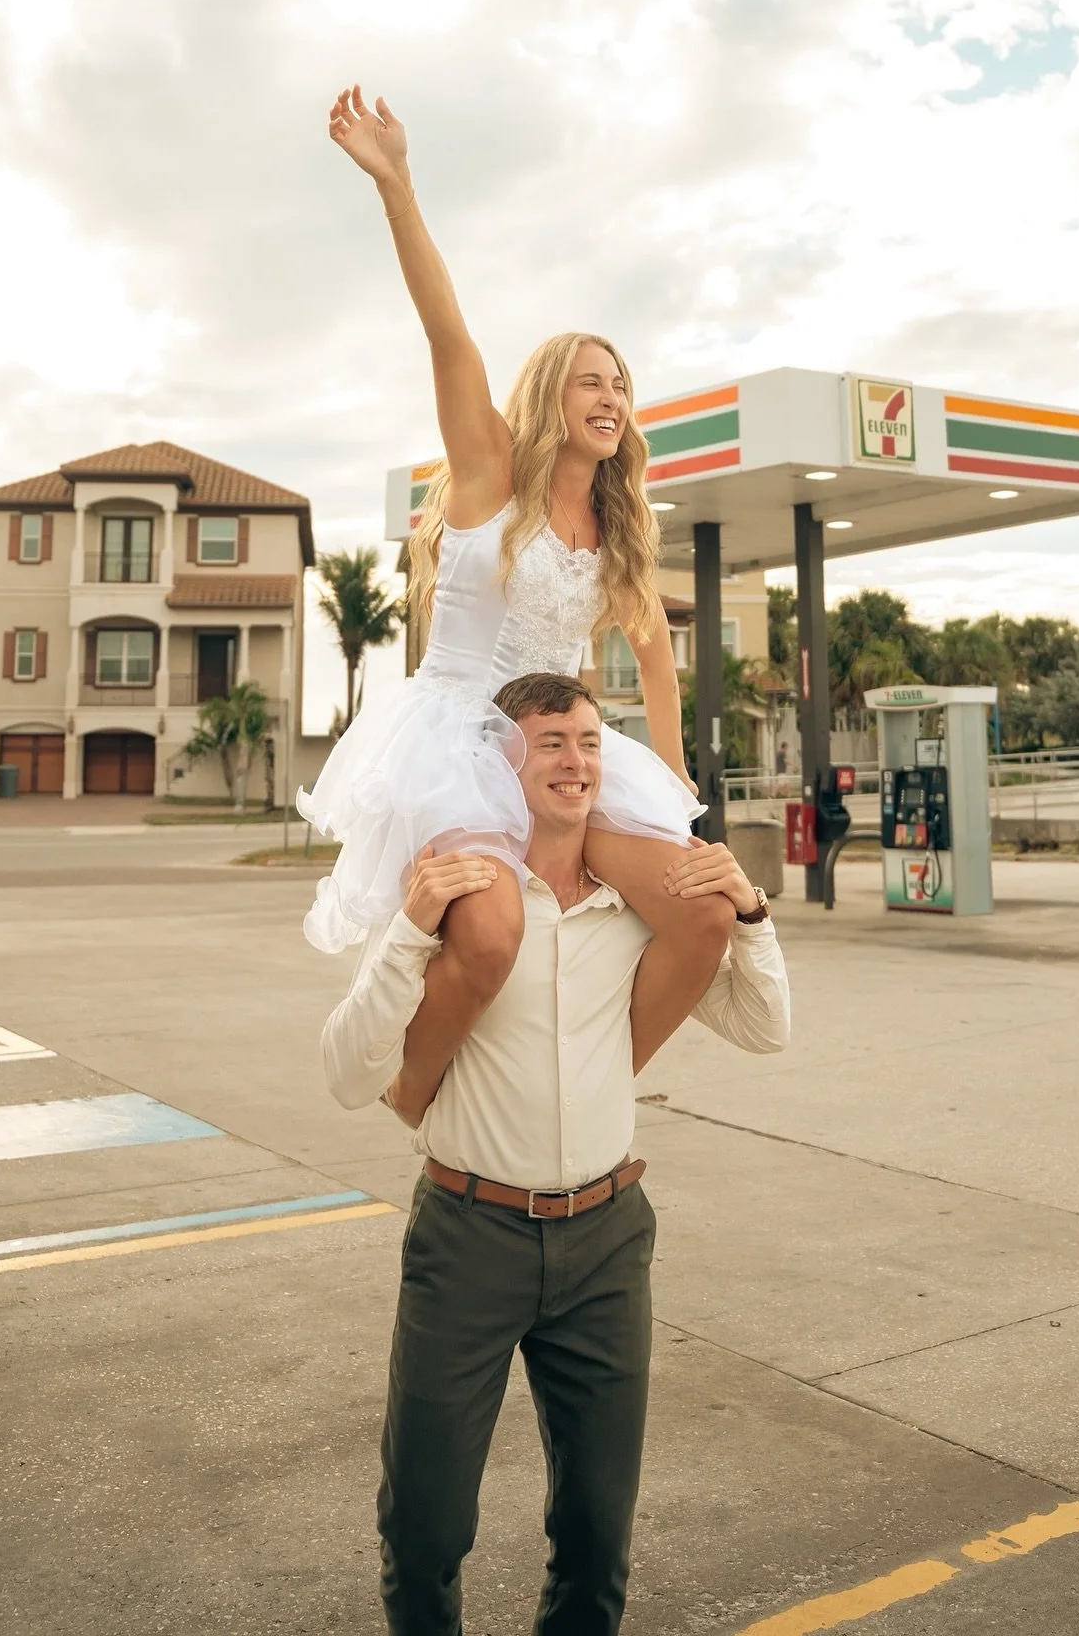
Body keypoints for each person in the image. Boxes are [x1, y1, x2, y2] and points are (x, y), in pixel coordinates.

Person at [323, 672, 791, 1636]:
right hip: (469, 1239)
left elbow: (765, 1029)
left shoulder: (632, 917)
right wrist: (407, 932)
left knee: (594, 1531)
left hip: (608, 1242)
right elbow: (344, 1073)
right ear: (502, 763)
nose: (575, 762)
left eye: (589, 742)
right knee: (425, 1524)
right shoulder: (461, 906)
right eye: (550, 742)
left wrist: (750, 914)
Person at [298, 82, 735, 1065]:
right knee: (492, 935)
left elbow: (657, 657)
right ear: (551, 395)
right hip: (454, 741)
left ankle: (584, 1086)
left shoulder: (618, 526)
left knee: (699, 915)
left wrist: (671, 779)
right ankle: (414, 1082)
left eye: (621, 383)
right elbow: (445, 330)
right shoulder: (492, 470)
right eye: (591, 379)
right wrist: (396, 185)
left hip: (559, 743)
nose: (612, 396)